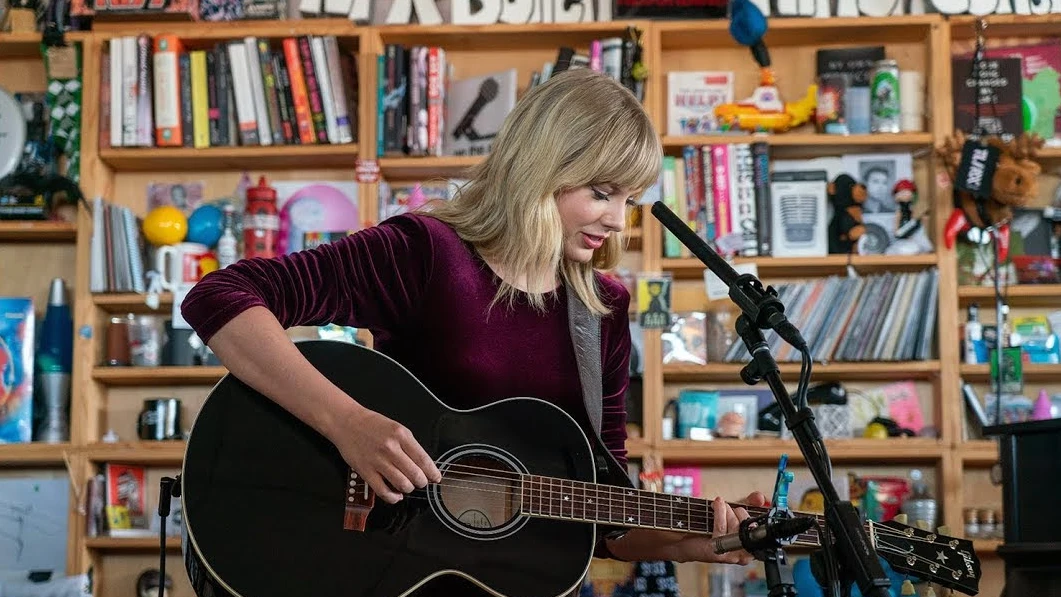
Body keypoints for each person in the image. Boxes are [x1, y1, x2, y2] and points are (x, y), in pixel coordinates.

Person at [180, 67, 767, 593]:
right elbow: (220, 296)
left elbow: (603, 519)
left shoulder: (604, 309)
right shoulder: (426, 252)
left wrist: (691, 544)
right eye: (602, 192)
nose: (617, 221)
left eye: (630, 201)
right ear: (545, 167)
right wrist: (348, 424)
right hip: (373, 561)